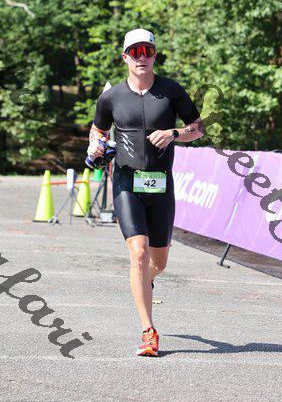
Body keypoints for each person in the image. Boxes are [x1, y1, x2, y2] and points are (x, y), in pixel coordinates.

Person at [87, 28, 204, 356]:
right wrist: (95, 145)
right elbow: (98, 130)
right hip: (126, 182)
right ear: (125, 57)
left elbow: (198, 128)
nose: (141, 58)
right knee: (138, 253)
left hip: (161, 185)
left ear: (154, 55)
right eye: (135, 52)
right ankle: (149, 331)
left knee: (159, 262)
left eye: (147, 52)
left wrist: (174, 133)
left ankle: (144, 281)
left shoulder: (171, 91)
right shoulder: (111, 97)